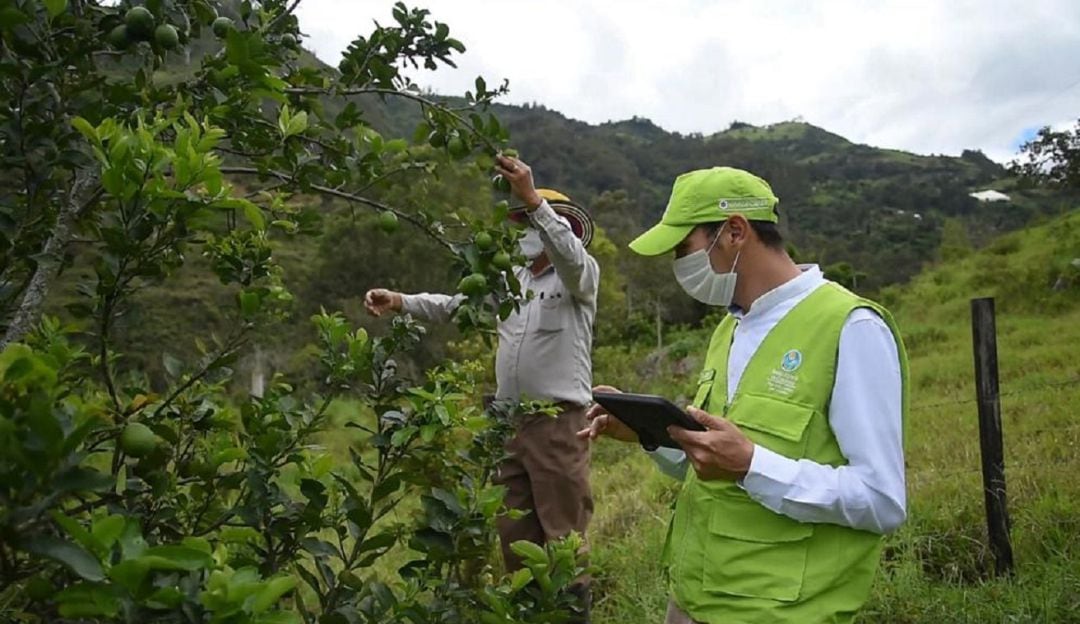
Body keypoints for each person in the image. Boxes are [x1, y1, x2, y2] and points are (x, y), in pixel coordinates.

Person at [579, 166, 908, 624]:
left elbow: (881, 500)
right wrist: (645, 433)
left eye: (683, 248)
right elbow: (711, 463)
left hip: (781, 612)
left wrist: (753, 465)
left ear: (735, 231)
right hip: (694, 600)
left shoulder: (851, 327)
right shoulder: (729, 329)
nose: (678, 264)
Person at [364, 154, 599, 621]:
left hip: (558, 422)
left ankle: (572, 615)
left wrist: (533, 200)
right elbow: (458, 305)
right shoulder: (512, 283)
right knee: (515, 537)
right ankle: (529, 614)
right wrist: (402, 301)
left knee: (563, 538)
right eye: (521, 220)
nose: (525, 227)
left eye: (531, 220)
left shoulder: (580, 276)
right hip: (507, 423)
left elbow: (570, 256)